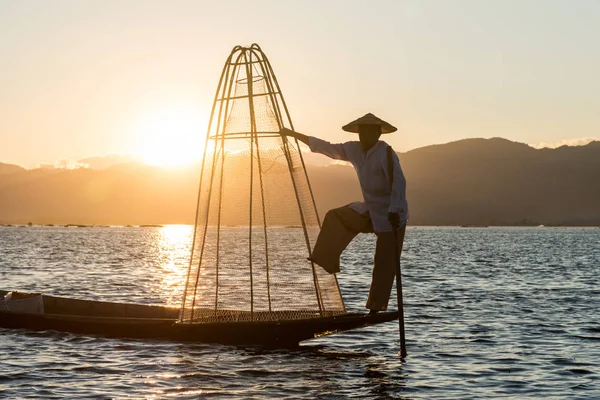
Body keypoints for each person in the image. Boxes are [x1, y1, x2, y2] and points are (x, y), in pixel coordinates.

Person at [280, 113, 408, 314]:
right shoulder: (354, 149)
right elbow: (327, 148)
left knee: (384, 262)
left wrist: (394, 210)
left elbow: (399, 183)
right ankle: (326, 258)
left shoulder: (386, 153)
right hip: (370, 209)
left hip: (393, 213)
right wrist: (293, 134)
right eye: (361, 132)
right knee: (335, 217)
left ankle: (375, 306)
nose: (364, 136)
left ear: (377, 133)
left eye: (369, 131)